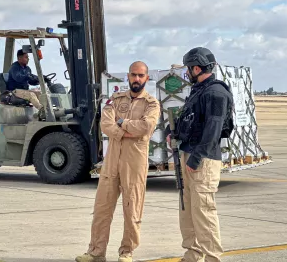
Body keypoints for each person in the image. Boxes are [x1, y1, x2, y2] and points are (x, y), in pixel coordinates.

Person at [75, 61, 161, 262]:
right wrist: (127, 131)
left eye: (141, 75)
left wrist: (122, 123)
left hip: (134, 163)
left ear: (146, 78)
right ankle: (96, 252)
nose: (137, 79)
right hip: (112, 161)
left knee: (132, 210)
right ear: (128, 77)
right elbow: (106, 125)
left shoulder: (151, 104)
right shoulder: (115, 99)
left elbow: (146, 127)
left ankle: (127, 251)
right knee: (102, 209)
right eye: (133, 75)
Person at [166, 47, 234, 262]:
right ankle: (192, 255)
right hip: (189, 154)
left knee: (203, 211)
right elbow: (192, 120)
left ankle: (213, 258)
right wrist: (173, 133)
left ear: (197, 68)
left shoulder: (216, 93)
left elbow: (213, 130)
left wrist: (195, 159)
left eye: (188, 68)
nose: (187, 73)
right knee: (188, 210)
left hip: (202, 160)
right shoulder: (199, 90)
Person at [7, 49, 45, 118]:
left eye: (28, 57)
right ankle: (43, 111)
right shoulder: (14, 67)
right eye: (26, 57)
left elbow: (30, 81)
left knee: (40, 93)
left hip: (24, 91)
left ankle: (47, 109)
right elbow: (18, 78)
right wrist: (28, 76)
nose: (28, 59)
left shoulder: (27, 69)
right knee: (31, 95)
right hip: (15, 91)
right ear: (19, 58)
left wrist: (39, 80)